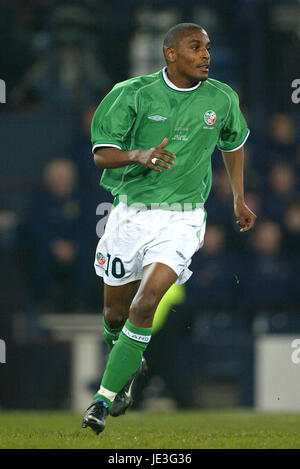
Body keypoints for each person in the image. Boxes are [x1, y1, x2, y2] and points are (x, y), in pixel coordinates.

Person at [82, 22, 256, 434]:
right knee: (114, 313)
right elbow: (101, 155)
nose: (206, 55)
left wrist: (237, 198)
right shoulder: (131, 93)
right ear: (171, 54)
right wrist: (138, 154)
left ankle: (102, 402)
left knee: (146, 305)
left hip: (182, 218)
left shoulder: (222, 98)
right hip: (128, 215)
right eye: (195, 47)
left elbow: (233, 144)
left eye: (208, 48)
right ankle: (128, 358)